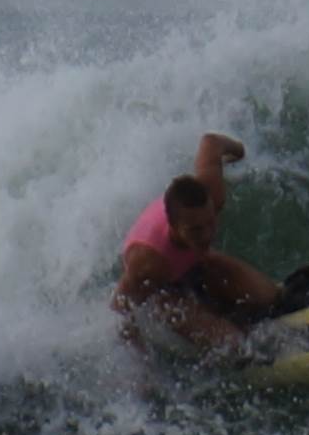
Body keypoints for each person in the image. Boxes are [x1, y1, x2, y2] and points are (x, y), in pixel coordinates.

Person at [111, 132, 287, 348]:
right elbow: (120, 309)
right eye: (195, 230)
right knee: (233, 346)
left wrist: (239, 150)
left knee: (270, 297)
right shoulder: (148, 261)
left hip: (196, 263)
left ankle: (224, 309)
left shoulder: (212, 195)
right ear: (173, 227)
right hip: (163, 290)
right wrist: (141, 368)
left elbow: (210, 142)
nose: (206, 235)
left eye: (210, 223)